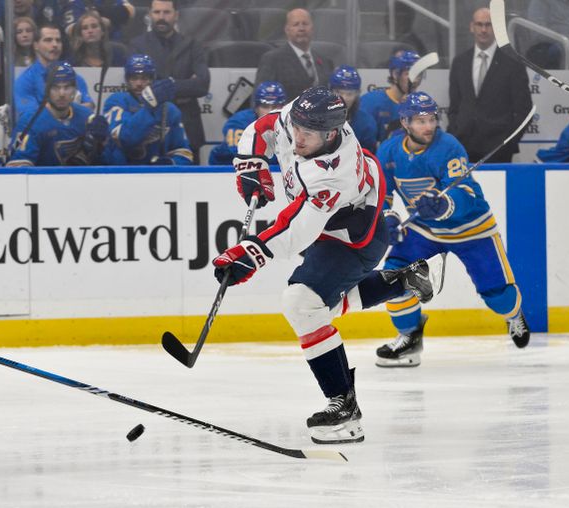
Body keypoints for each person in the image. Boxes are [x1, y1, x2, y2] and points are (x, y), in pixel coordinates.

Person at [212, 86, 443, 444]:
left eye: (308, 135)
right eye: (297, 129)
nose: (298, 138)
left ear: (332, 133)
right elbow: (264, 129)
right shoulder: (302, 116)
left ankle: (344, 410)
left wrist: (252, 253)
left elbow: (297, 228)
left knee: (302, 304)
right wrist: (251, 164)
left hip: (351, 237)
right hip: (329, 226)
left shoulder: (335, 171)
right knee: (320, 307)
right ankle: (402, 282)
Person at [375, 92, 530, 367]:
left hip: (472, 230)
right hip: (423, 230)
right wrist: (389, 219)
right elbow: (382, 195)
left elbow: (465, 191)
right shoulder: (388, 151)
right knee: (392, 277)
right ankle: (409, 338)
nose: (429, 126)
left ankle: (513, 314)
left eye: (432, 119)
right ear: (405, 123)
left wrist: (444, 204)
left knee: (498, 297)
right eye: (421, 120)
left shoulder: (449, 146)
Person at [447, 7, 532, 163]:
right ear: (472, 27)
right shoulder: (460, 62)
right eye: (479, 24)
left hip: (499, 150)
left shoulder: (512, 63)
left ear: (497, 28)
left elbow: (524, 110)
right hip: (463, 146)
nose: (484, 29)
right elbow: (454, 107)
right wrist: (455, 132)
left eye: (489, 24)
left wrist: (508, 143)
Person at [129, 0, 210, 162]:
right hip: (151, 129)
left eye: (167, 12)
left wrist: (166, 87)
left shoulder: (193, 45)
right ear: (149, 15)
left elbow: (202, 84)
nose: (161, 17)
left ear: (176, 15)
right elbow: (139, 88)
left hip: (189, 127)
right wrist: (184, 85)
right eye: (157, 12)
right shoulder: (137, 45)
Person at [8, 61, 111, 166]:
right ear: (46, 89)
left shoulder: (87, 118)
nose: (61, 94)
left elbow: (107, 165)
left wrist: (100, 145)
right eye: (55, 87)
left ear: (75, 90)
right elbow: (17, 170)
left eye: (67, 87)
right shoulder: (30, 122)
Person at [104, 54, 192, 165]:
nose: (139, 84)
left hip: (157, 176)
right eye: (134, 78)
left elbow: (184, 152)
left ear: (153, 79)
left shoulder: (169, 109)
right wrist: (150, 106)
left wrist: (171, 163)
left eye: (144, 78)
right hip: (122, 173)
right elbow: (125, 139)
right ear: (127, 79)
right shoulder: (116, 101)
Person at [14, 22, 94, 118]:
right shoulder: (25, 80)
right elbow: (30, 116)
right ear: (36, 45)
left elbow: (89, 106)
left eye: (58, 40)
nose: (55, 45)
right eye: (48, 40)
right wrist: (70, 109)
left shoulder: (73, 76)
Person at [255, 8, 334, 101]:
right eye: (296, 24)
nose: (301, 28)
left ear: (312, 28)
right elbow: (259, 101)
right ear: (287, 30)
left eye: (305, 24)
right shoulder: (272, 60)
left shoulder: (325, 62)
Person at [208, 81, 286, 166]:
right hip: (227, 167)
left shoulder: (291, 122)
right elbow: (244, 154)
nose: (270, 111)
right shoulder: (238, 122)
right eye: (265, 107)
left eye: (275, 107)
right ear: (256, 108)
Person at [360, 49, 420, 144]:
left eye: (418, 74)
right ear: (395, 74)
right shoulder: (370, 102)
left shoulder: (420, 104)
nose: (416, 80)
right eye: (408, 74)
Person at [329, 65, 378, 153]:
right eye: (339, 92)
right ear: (331, 91)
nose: (344, 98)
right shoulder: (318, 118)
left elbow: (367, 157)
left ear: (357, 94)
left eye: (350, 94)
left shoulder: (366, 123)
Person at [60, 0, 135, 42]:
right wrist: (101, 21)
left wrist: (97, 12)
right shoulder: (75, 2)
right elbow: (71, 29)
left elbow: (129, 11)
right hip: (84, 48)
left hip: (114, 43)